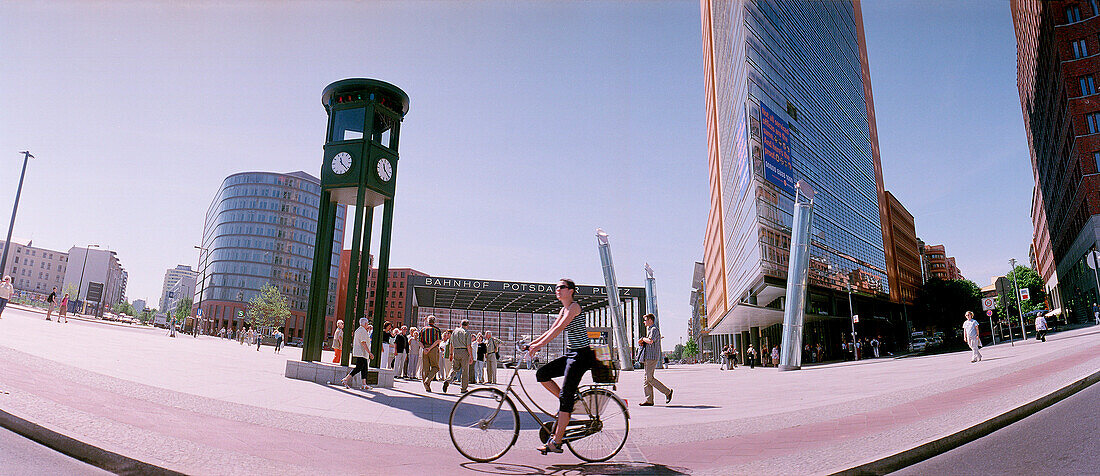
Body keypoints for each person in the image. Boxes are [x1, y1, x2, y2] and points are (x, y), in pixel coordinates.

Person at [529, 279, 598, 455]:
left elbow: (559, 329)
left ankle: (556, 442)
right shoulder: (563, 309)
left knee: (566, 397)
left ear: (571, 291)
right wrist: (532, 343)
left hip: (581, 356)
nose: (557, 290)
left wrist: (538, 346)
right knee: (542, 374)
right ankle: (566, 400)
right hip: (570, 354)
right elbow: (551, 329)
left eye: (562, 287)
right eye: (556, 287)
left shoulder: (574, 307)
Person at [638, 313, 673, 406]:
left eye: (645, 320)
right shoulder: (650, 330)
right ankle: (649, 400)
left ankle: (667, 392)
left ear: (650, 320)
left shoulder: (654, 329)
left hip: (652, 357)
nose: (644, 322)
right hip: (648, 357)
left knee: (649, 378)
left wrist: (642, 339)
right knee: (646, 380)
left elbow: (650, 341)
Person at [341, 319, 374, 390]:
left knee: (364, 368)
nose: (368, 325)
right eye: (367, 324)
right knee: (359, 367)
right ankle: (346, 379)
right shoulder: (363, 331)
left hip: (361, 353)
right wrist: (369, 352)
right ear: (365, 324)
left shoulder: (358, 330)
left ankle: (364, 384)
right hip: (362, 353)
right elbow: (363, 342)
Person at [444, 320, 472, 394]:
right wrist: (471, 356)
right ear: (467, 325)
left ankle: (448, 380)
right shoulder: (467, 333)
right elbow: (468, 346)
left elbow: (451, 344)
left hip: (456, 351)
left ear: (460, 324)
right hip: (464, 351)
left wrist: (451, 354)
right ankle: (463, 388)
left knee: (454, 368)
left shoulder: (454, 332)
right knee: (465, 370)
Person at [419, 315, 443, 392]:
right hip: (433, 348)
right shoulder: (437, 329)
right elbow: (438, 341)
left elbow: (419, 341)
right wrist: (430, 348)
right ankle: (428, 380)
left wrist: (424, 348)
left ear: (428, 321)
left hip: (424, 348)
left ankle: (427, 386)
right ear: (434, 321)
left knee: (425, 368)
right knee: (435, 367)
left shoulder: (423, 329)